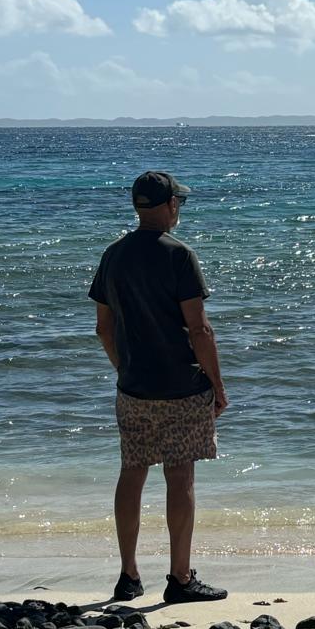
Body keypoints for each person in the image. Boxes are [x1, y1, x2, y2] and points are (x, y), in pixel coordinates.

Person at [89, 170, 229, 605]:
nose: (178, 209)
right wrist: (218, 385)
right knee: (179, 476)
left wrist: (124, 368)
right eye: (178, 202)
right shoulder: (179, 255)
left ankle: (128, 576)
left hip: (133, 387)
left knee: (132, 472)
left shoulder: (113, 255)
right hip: (181, 386)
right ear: (169, 205)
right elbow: (199, 330)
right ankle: (180, 578)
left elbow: (103, 328)